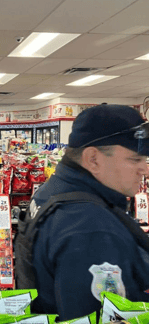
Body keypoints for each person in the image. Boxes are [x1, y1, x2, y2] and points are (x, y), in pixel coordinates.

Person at [15, 104, 149, 321]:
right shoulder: (91, 229)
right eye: (134, 159)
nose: (145, 169)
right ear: (93, 159)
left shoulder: (54, 190)